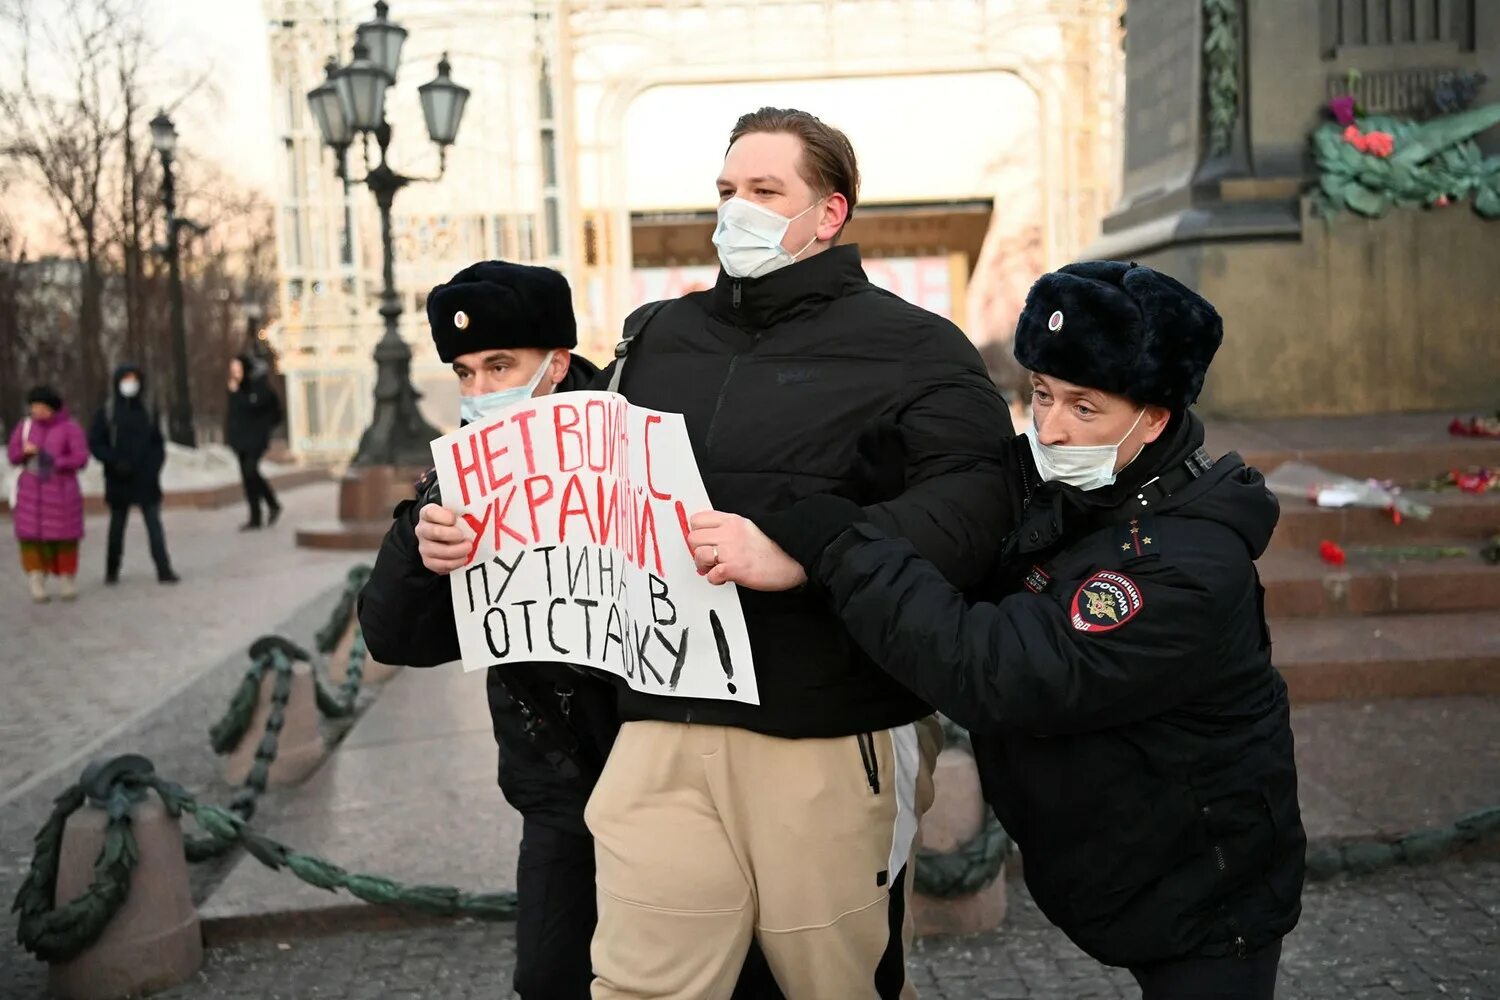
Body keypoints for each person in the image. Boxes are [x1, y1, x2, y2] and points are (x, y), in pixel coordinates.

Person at [693, 261, 1307, 1000]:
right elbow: (964, 509)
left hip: (1207, 885)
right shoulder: (1076, 489)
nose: (1049, 427)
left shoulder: (1184, 564)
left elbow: (996, 670)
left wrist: (841, 545)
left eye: (1086, 409)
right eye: (1041, 395)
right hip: (1119, 854)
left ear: (1156, 417)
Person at [587, 108, 1016, 999]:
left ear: (829, 213)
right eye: (726, 191)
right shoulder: (655, 337)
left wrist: (808, 551)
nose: (733, 210)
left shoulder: (917, 347)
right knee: (638, 986)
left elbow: (975, 508)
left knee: (827, 985)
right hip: (663, 722)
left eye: (763, 191)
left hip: (827, 729)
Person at [356, 261, 783, 1000]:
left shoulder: (640, 435)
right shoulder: (456, 478)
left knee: (714, 973)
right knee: (550, 977)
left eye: (500, 365)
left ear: (554, 363)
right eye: (464, 372)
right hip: (557, 789)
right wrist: (418, 548)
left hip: (671, 779)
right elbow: (392, 636)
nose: (481, 390)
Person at [88, 364, 179, 584]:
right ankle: (112, 570)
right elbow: (95, 443)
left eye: (134, 379)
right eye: (126, 379)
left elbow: (157, 444)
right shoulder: (107, 413)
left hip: (146, 478)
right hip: (119, 478)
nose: (130, 384)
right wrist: (113, 461)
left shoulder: (147, 411)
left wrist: (153, 467)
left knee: (154, 525)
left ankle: (163, 568)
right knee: (117, 527)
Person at [8, 386, 89, 602]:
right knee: (31, 538)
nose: (38, 411)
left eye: (42, 407)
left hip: (61, 493)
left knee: (65, 538)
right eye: (34, 407)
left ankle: (66, 579)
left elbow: (80, 458)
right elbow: (12, 455)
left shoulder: (70, 428)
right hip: (30, 494)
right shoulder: (24, 427)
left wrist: (53, 460)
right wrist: (22, 453)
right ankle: (36, 580)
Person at [225, 354, 284, 531]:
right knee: (247, 476)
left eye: (238, 369)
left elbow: (262, 409)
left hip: (255, 438)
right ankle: (255, 516)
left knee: (251, 471)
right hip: (241, 440)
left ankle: (272, 503)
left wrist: (263, 428)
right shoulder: (236, 389)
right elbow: (234, 415)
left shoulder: (259, 388)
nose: (235, 373)